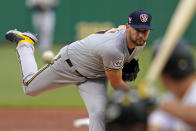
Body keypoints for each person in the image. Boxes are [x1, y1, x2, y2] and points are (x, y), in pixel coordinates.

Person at [5, 9, 152, 131]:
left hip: (95, 76)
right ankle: (25, 43)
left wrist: (125, 63)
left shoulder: (139, 42)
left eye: (144, 31)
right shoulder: (112, 49)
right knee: (29, 88)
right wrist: (138, 97)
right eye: (137, 30)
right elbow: (117, 84)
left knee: (99, 114)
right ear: (128, 27)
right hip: (69, 65)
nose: (140, 35)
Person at [148, 39, 196, 131]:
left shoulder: (165, 103)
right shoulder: (169, 100)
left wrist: (157, 101)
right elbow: (155, 126)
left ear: (163, 77)